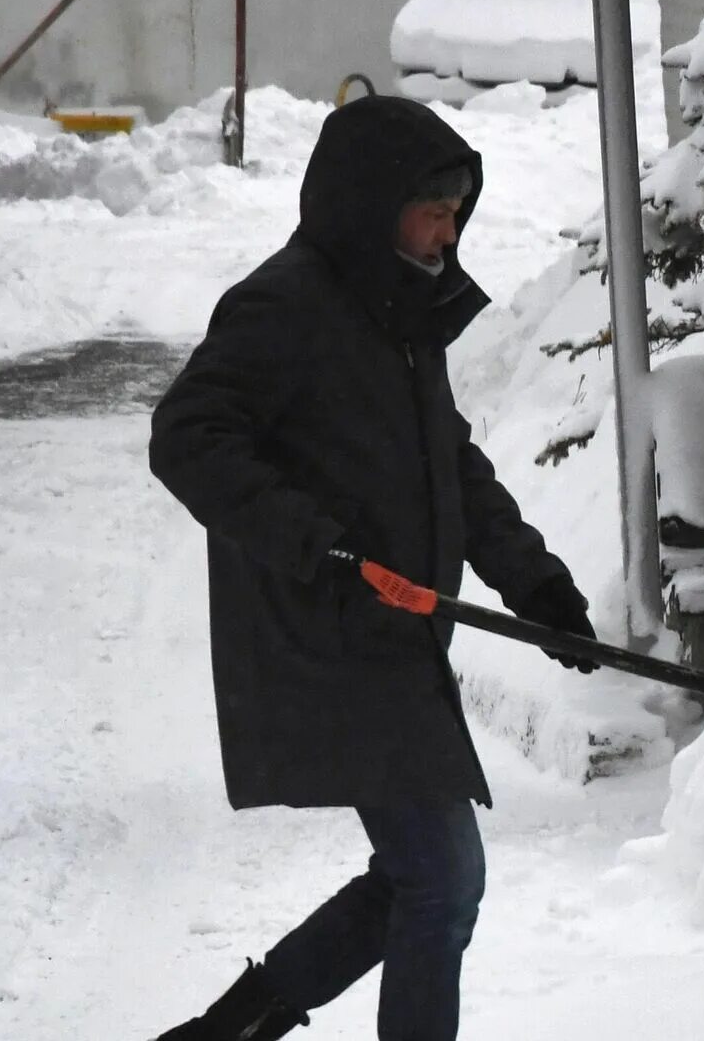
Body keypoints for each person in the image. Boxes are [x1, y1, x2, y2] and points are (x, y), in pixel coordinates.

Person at [147, 95, 599, 1041]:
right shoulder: (287, 303)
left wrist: (540, 587)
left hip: (395, 633)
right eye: (430, 208)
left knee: (418, 877)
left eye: (456, 212)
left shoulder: (398, 307)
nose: (445, 230)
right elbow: (188, 438)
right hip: (331, 634)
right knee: (441, 878)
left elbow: (453, 466)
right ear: (369, 201)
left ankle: (226, 1029)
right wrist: (315, 542)